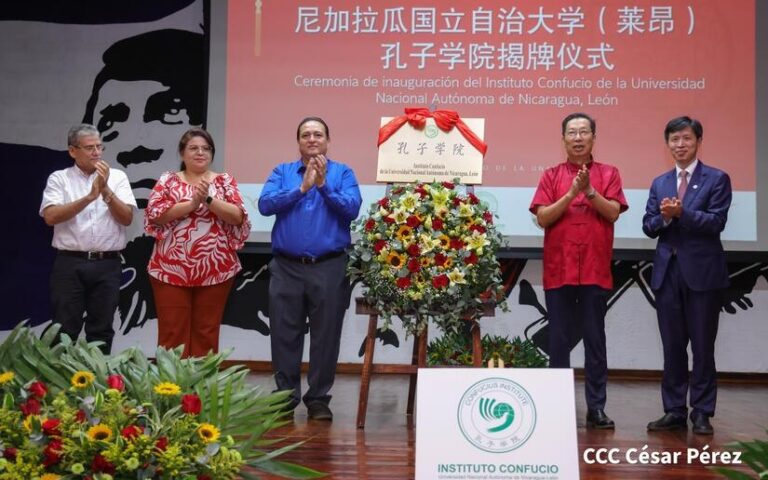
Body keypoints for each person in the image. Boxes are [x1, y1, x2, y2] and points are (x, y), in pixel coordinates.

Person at [258, 117, 362, 421]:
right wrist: (301, 189)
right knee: (283, 334)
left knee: (326, 336)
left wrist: (323, 186)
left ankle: (318, 399)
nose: (312, 139)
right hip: (286, 267)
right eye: (306, 135)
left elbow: (352, 209)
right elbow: (265, 205)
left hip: (329, 266)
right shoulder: (282, 172)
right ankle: (285, 398)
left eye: (318, 134)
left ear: (328, 141)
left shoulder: (343, 173)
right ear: (298, 141)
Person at [529, 112, 628, 429]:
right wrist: (571, 193)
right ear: (563, 139)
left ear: (593, 138)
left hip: (595, 271)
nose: (578, 137)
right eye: (572, 132)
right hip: (560, 271)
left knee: (595, 342)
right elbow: (543, 217)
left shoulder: (609, 173)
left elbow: (612, 213)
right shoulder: (551, 175)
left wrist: (589, 192)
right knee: (558, 342)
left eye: (584, 131)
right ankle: (557, 406)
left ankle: (596, 408)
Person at [642, 116, 731, 435]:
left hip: (703, 276)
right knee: (673, 346)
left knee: (703, 347)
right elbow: (648, 225)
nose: (680, 144)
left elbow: (716, 222)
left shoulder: (717, 179)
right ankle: (675, 410)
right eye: (674, 140)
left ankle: (703, 412)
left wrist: (682, 213)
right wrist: (665, 219)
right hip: (668, 275)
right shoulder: (660, 182)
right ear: (667, 144)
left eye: (686, 139)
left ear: (697, 141)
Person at [145, 128, 250, 358]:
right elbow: (155, 215)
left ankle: (201, 392)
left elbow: (238, 216)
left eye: (206, 148)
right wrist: (192, 204)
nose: (200, 152)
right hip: (169, 270)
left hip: (216, 270)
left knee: (207, 333)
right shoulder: (168, 180)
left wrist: (209, 200)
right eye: (193, 148)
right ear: (182, 153)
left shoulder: (224, 181)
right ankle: (171, 392)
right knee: (172, 334)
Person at [39, 124, 137, 354]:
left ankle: (100, 384)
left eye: (99, 147)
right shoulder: (59, 179)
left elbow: (127, 219)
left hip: (107, 263)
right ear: (73, 151)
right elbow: (50, 217)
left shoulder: (118, 177)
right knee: (64, 327)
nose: (97, 153)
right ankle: (60, 383)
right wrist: (90, 197)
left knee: (101, 328)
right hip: (70, 263)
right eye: (90, 148)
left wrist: (105, 192)